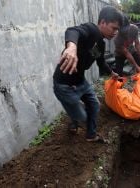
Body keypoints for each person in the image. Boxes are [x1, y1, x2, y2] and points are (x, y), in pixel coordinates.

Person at [53, 6, 123, 142]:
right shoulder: (91, 30)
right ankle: (74, 119)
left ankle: (91, 135)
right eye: (113, 28)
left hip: (80, 82)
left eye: (117, 30)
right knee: (82, 117)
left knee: (95, 106)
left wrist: (112, 73)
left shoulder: (100, 45)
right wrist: (71, 47)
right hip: (64, 86)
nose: (115, 32)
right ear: (102, 22)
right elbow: (73, 31)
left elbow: (101, 63)